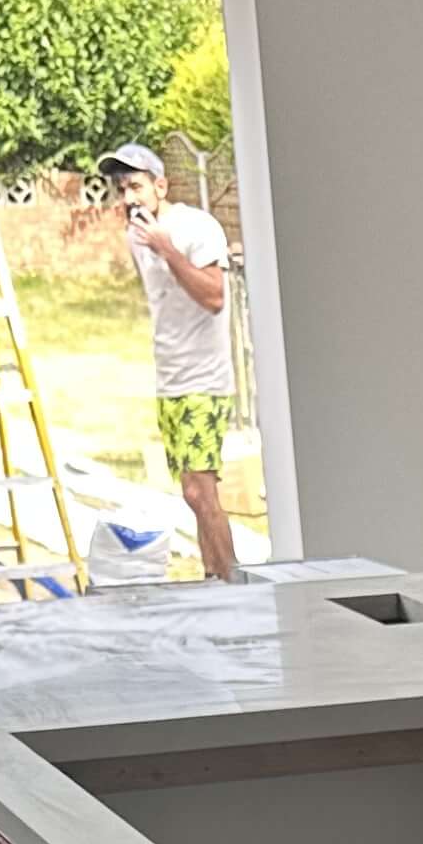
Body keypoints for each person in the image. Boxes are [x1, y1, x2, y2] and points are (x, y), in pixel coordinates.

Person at [97, 142, 244, 584]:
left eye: (136, 186)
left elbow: (214, 297)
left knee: (202, 491)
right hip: (170, 378)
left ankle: (234, 583)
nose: (129, 198)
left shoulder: (196, 227)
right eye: (122, 189)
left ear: (160, 186)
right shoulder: (135, 236)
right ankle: (212, 577)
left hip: (205, 379)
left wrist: (168, 250)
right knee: (191, 493)